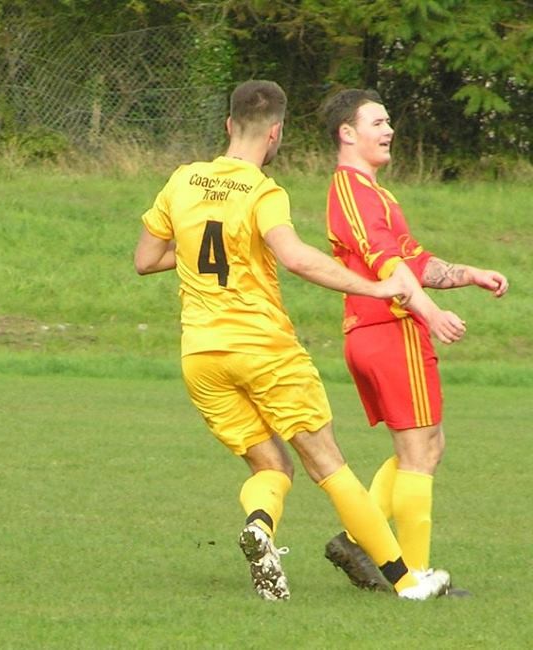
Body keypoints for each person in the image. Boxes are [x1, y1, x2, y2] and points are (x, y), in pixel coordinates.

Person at [134, 79, 452, 601]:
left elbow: (146, 259)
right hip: (263, 350)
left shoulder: (182, 180)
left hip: (201, 356)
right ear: (276, 133)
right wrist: (376, 286)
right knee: (328, 464)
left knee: (272, 466)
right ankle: (406, 581)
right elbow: (297, 257)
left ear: (229, 124)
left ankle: (259, 526)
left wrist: (200, 252)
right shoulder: (263, 192)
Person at [319, 88, 508, 593]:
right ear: (347, 133)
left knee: (427, 445)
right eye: (378, 123)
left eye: (388, 122)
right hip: (388, 329)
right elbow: (387, 265)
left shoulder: (375, 193)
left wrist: (469, 273)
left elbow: (413, 260)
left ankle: (358, 538)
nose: (389, 130)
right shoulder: (352, 190)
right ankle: (415, 576)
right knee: (419, 452)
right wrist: (430, 312)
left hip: (386, 330)